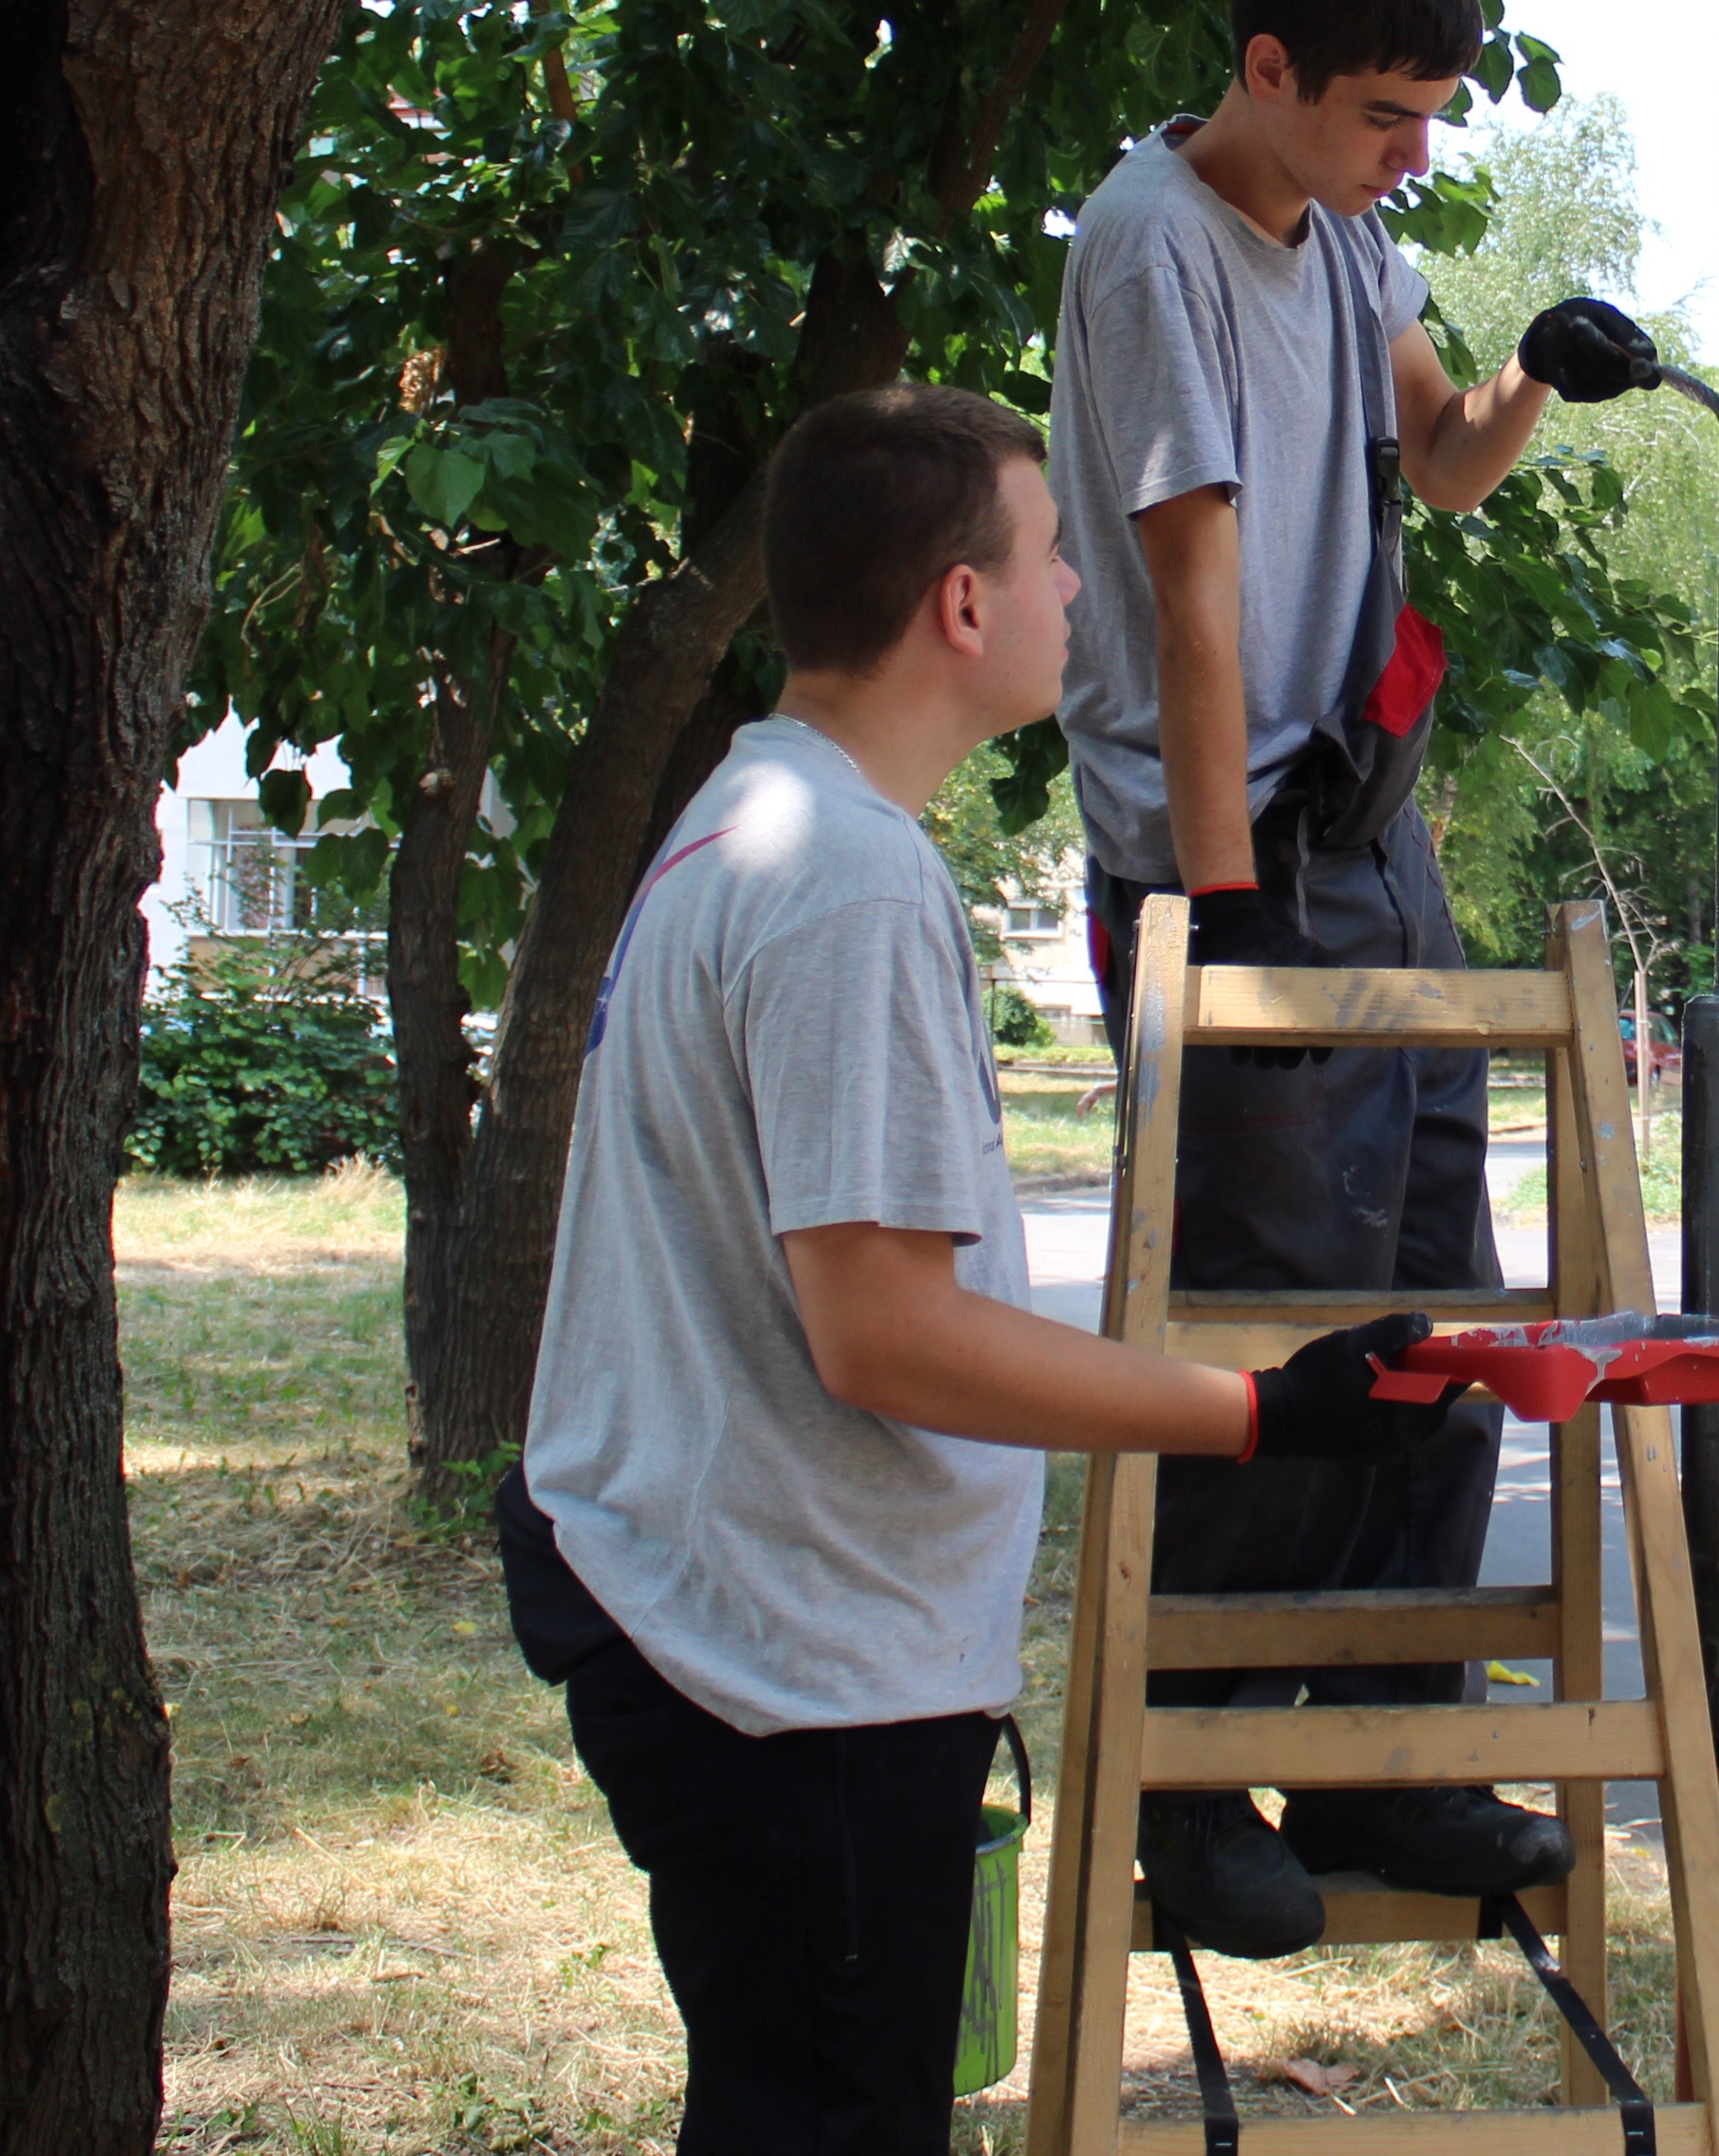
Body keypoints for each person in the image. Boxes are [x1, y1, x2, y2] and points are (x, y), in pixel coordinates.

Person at [496, 384, 1460, 2156]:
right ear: (960, 604)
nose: (1083, 593)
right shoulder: (845, 882)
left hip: (757, 1641)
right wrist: (1258, 1412)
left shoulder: (753, 821)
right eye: (1051, 557)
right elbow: (886, 1336)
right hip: (782, 1669)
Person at [1050, 0, 1664, 1956]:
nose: (1419, 150)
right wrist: (1218, 926)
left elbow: (1451, 463)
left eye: (1433, 115)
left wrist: (1530, 376)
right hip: (1226, 853)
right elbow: (1197, 605)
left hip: (1365, 835)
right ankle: (1201, 1781)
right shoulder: (1151, 248)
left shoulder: (1342, 235)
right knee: (1279, 1328)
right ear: (1267, 72)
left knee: (1440, 1301)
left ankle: (1392, 1751)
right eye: (1388, 111)